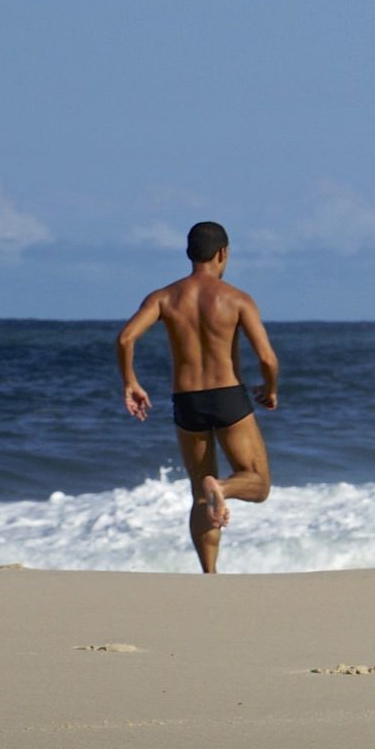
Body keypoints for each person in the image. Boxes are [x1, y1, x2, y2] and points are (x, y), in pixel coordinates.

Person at [117, 221, 280, 574]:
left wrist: (131, 382)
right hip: (227, 397)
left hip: (186, 401)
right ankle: (221, 486)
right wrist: (269, 389)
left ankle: (209, 574)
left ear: (190, 253)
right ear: (223, 253)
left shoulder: (163, 297)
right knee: (258, 483)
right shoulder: (237, 299)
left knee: (199, 494)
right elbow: (267, 358)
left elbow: (125, 339)